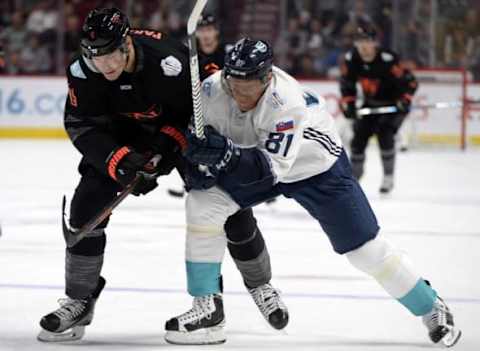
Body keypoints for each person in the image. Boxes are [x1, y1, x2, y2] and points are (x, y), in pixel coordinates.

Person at [164, 38, 461, 348]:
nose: (239, 93)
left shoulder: (286, 102)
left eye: (248, 85)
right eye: (234, 82)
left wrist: (222, 154)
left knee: (364, 251)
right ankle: (208, 310)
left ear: (267, 78)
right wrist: (196, 165)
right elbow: (202, 143)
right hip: (253, 160)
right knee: (201, 204)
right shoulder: (213, 90)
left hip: (316, 168)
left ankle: (430, 306)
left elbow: (266, 172)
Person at [37, 8, 287, 342]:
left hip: (174, 133)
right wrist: (120, 162)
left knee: (229, 206)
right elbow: (81, 125)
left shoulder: (169, 62)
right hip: (122, 139)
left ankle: (260, 284)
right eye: (97, 58)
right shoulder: (83, 72)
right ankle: (80, 299)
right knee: (85, 210)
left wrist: (162, 152)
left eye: (111, 54)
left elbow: (195, 113)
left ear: (126, 43)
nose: (106, 65)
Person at [339, 21, 418, 193]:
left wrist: (405, 99)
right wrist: (349, 104)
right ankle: (354, 179)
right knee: (358, 139)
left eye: (367, 41)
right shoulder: (352, 59)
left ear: (375, 43)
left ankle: (388, 177)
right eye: (359, 42)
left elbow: (411, 82)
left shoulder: (388, 59)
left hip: (393, 105)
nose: (363, 47)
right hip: (371, 104)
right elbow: (347, 85)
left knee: (385, 134)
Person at [167, 13, 228, 198]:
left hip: (226, 108)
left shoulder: (230, 52)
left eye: (209, 29)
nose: (206, 35)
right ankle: (190, 178)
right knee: (191, 141)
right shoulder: (189, 54)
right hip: (197, 107)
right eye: (202, 30)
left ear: (216, 31)